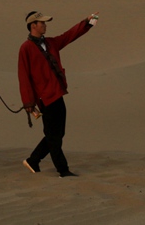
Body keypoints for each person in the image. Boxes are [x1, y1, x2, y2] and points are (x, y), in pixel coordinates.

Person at [18, 10, 99, 178]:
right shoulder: (26, 48)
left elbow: (69, 36)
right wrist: (28, 102)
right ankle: (63, 170)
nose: (45, 25)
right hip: (44, 97)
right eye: (42, 23)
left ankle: (33, 160)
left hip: (57, 93)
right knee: (54, 135)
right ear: (33, 25)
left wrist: (87, 23)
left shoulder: (50, 43)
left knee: (57, 133)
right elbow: (23, 75)